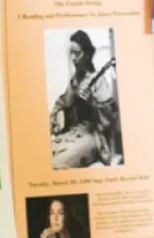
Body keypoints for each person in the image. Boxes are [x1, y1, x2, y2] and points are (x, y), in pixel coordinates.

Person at [49, 30, 121, 169]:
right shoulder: (76, 79)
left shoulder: (99, 81)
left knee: (57, 164)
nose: (72, 57)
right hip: (72, 133)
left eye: (77, 53)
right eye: (71, 53)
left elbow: (111, 116)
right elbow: (63, 102)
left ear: (87, 54)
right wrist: (53, 117)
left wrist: (92, 102)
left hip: (92, 137)